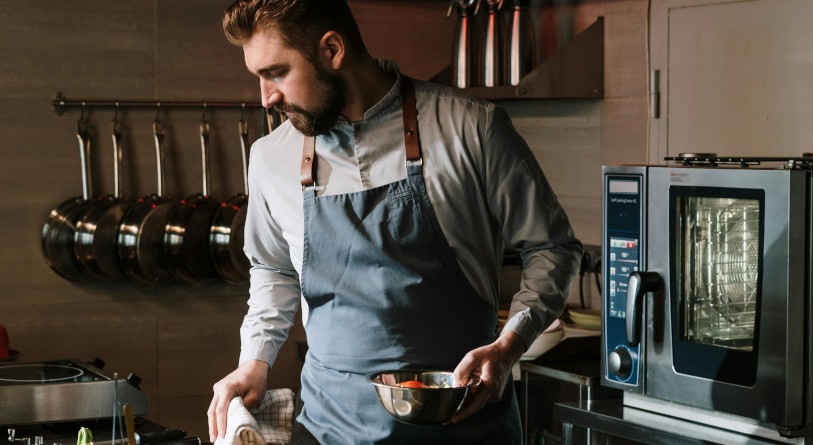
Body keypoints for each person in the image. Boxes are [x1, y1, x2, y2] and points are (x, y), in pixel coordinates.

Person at [208, 0, 583, 443]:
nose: (266, 97)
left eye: (276, 73)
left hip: (465, 424)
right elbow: (273, 269)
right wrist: (255, 359)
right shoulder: (271, 157)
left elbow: (552, 247)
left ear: (331, 50)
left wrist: (510, 345)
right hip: (333, 427)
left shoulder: (471, 128)